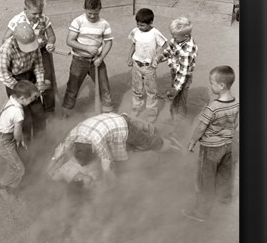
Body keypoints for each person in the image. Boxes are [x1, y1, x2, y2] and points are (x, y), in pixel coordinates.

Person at [49, 112, 183, 185]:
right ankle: (133, 121)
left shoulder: (98, 142)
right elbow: (58, 154)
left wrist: (112, 188)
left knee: (145, 143)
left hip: (121, 126)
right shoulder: (73, 135)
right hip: (107, 121)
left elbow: (107, 167)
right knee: (125, 151)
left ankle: (169, 144)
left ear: (93, 150)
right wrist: (52, 162)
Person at [182, 66, 239, 222]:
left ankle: (202, 212)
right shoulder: (235, 103)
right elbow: (234, 125)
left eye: (212, 83)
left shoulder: (212, 107)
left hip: (210, 149)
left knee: (205, 179)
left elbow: (201, 127)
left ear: (221, 86)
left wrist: (193, 141)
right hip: (228, 146)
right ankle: (225, 198)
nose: (210, 85)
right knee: (226, 173)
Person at [2, 0, 56, 114]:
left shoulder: (44, 19)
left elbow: (52, 36)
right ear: (25, 9)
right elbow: (5, 38)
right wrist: (15, 52)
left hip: (41, 53)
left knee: (46, 82)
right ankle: (26, 108)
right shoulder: (18, 20)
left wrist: (50, 43)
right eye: (34, 13)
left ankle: (49, 110)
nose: (38, 16)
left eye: (40, 12)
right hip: (25, 54)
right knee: (29, 82)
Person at [61, 0, 114, 117]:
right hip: (79, 60)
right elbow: (69, 41)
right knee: (72, 88)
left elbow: (108, 42)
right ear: (84, 8)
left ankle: (108, 113)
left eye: (95, 13)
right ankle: (66, 114)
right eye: (89, 13)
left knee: (104, 86)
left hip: (96, 60)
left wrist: (101, 58)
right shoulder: (78, 21)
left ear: (100, 9)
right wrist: (87, 48)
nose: (92, 16)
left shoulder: (103, 24)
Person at [0, 22, 49, 142]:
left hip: (30, 76)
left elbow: (38, 64)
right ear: (16, 40)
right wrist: (20, 88)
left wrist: (40, 82)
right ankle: (25, 144)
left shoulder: (34, 43)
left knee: (39, 112)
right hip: (15, 80)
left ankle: (41, 142)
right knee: (23, 116)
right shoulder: (7, 48)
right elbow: (2, 73)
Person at [0, 80, 40, 201]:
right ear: (23, 98)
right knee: (19, 169)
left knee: (16, 163)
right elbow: (17, 132)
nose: (34, 100)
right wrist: (19, 141)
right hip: (4, 140)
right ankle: (2, 187)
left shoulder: (11, 100)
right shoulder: (18, 112)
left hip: (1, 134)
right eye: (33, 98)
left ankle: (12, 177)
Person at [153, 17, 198, 122]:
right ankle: (174, 116)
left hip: (184, 77)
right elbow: (169, 51)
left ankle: (179, 122)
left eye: (175, 36)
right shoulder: (177, 40)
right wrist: (159, 57)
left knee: (180, 100)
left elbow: (183, 73)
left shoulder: (188, 51)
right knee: (175, 98)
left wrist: (175, 89)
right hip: (175, 72)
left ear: (186, 36)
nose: (173, 38)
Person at [127, 8, 167, 123]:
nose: (139, 27)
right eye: (138, 24)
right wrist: (129, 57)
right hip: (136, 65)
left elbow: (164, 45)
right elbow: (133, 45)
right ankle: (136, 108)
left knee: (151, 91)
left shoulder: (155, 33)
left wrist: (157, 57)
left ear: (150, 23)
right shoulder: (135, 31)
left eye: (142, 25)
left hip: (149, 67)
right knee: (136, 89)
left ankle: (151, 112)